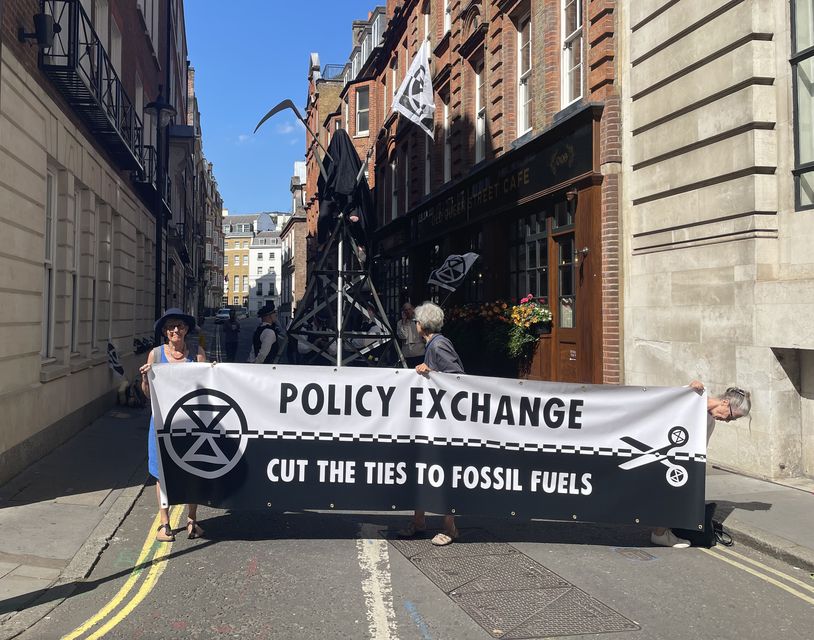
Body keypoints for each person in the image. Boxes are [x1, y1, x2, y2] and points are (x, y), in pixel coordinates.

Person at [650, 381, 752, 548]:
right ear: (725, 403)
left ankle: (660, 533)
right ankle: (658, 532)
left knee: (674, 495)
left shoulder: (710, 422)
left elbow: (699, 449)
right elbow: (670, 399)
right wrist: (689, 387)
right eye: (732, 416)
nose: (729, 421)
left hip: (674, 462)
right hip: (654, 450)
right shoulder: (694, 397)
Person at [399, 301, 464, 547]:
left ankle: (450, 527)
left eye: (416, 321)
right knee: (423, 470)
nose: (415, 324)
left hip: (443, 422)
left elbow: (458, 378)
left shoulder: (439, 345)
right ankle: (419, 522)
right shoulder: (433, 344)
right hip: (431, 420)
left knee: (441, 471)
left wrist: (432, 372)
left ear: (422, 325)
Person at [139, 308, 207, 542]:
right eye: (170, 327)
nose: (175, 330)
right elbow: (148, 395)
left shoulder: (197, 354)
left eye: (179, 326)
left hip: (191, 423)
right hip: (161, 424)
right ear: (165, 332)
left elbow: (207, 391)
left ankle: (191, 519)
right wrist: (145, 379)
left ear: (187, 329)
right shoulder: (155, 355)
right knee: (161, 472)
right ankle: (165, 523)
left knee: (191, 469)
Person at [396, 302, 425, 368]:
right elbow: (403, 336)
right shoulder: (400, 323)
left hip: (419, 352)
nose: (408, 312)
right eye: (405, 310)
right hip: (407, 354)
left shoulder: (419, 321)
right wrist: (404, 322)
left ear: (413, 309)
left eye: (409, 309)